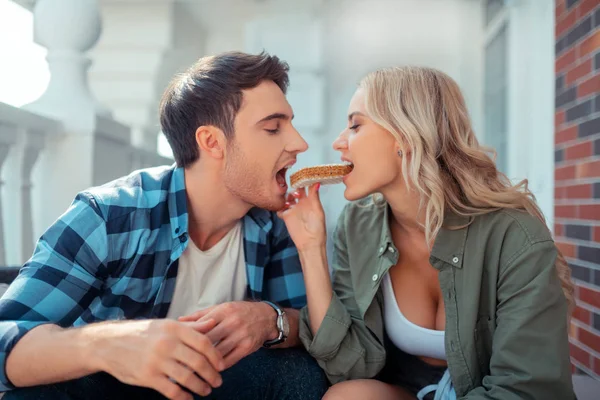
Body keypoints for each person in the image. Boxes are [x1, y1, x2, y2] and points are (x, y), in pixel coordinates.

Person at [0, 51, 328, 400]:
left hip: (213, 385)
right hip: (106, 389)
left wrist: (270, 320)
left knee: (299, 375)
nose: (299, 144)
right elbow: (6, 334)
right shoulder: (109, 216)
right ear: (211, 142)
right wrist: (108, 344)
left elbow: (312, 328)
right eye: (273, 128)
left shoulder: (277, 224)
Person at [278, 66, 576, 399]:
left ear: (406, 135)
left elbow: (526, 388)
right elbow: (349, 366)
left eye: (356, 125)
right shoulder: (358, 224)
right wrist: (310, 248)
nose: (339, 142)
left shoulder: (513, 234)